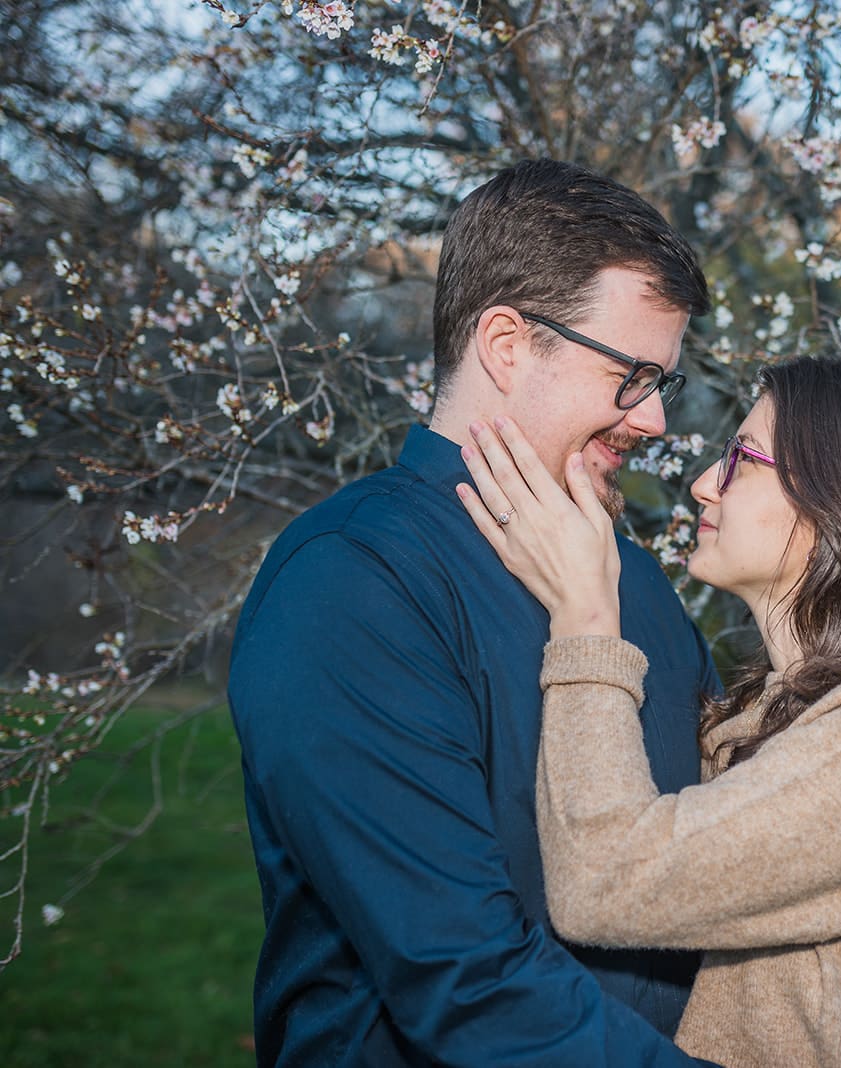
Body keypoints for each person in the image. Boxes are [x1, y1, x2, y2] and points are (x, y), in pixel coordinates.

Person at [227, 159, 722, 1065]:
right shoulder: (350, 582)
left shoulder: (636, 584)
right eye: (632, 374)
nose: (653, 421)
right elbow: (462, 977)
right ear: (505, 343)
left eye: (664, 383)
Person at [457, 355, 841, 1067]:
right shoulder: (763, 714)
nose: (701, 485)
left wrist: (587, 618)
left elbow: (607, 879)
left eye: (741, 460)